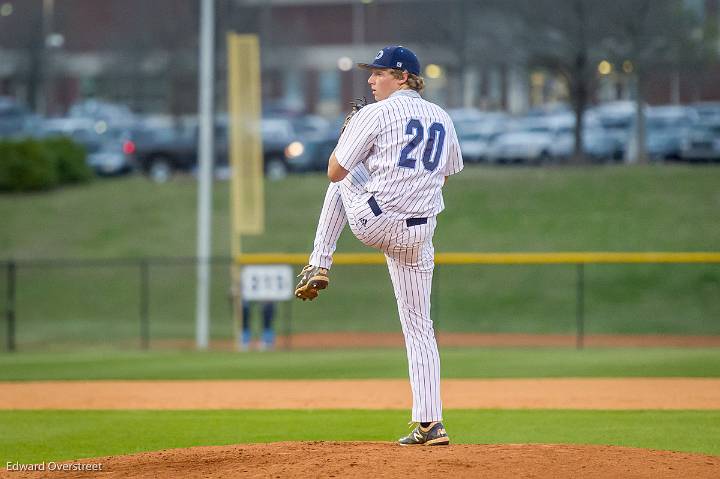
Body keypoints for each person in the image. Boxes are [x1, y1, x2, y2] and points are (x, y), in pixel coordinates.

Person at [294, 45, 464, 446]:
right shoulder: (442, 116)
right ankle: (431, 422)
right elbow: (447, 172)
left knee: (342, 180)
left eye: (380, 73)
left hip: (376, 221)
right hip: (419, 234)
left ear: (403, 77)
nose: (371, 80)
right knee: (420, 327)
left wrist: (348, 141)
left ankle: (319, 263)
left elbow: (335, 169)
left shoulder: (376, 113)